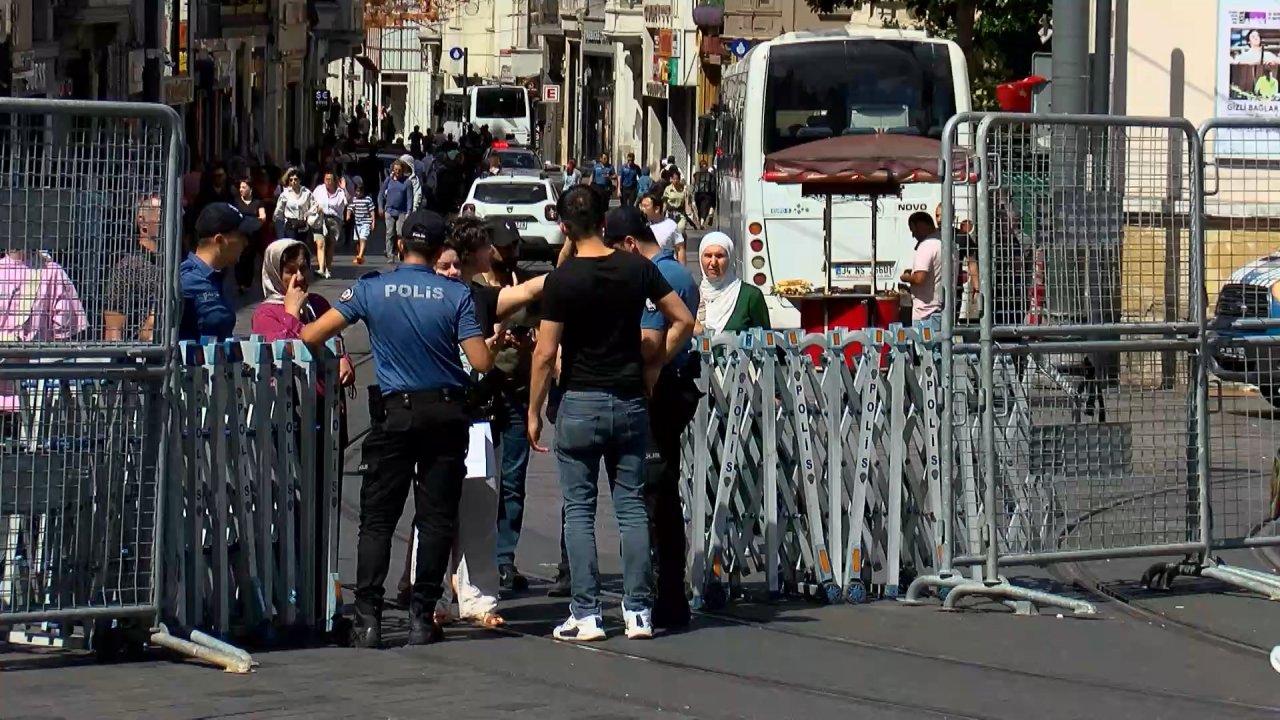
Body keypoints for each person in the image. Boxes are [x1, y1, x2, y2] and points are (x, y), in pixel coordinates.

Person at [300, 209, 494, 648]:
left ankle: (367, 618)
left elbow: (313, 334)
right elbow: (480, 361)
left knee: (378, 519)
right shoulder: (455, 294)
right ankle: (422, 617)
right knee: (436, 517)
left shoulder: (372, 289)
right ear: (441, 248)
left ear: (401, 244)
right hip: (445, 415)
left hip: (395, 415)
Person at [527, 186, 695, 641]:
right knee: (632, 509)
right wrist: (653, 368)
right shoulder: (638, 268)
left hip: (580, 399)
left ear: (564, 227)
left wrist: (534, 410)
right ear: (605, 222)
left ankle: (586, 613)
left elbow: (544, 353)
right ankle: (639, 611)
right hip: (629, 400)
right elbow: (682, 320)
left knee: (579, 510)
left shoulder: (562, 280)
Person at [606, 206, 700, 630]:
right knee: (662, 495)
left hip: (656, 393)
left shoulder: (655, 278)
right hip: (672, 391)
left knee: (649, 497)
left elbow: (649, 344)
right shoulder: (676, 274)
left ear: (629, 244)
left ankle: (657, 595)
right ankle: (670, 594)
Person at [179, 203, 258, 341]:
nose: (246, 242)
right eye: (241, 236)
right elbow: (153, 331)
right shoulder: (186, 279)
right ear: (220, 240)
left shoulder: (219, 277)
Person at [104, 194, 164, 342]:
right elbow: (113, 330)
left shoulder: (175, 265)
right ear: (142, 222)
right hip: (138, 357)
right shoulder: (128, 267)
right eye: (161, 216)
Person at [696, 232, 770, 335]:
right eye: (708, 256)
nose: (713, 262)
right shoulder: (693, 295)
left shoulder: (750, 296)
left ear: (730, 259)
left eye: (719, 256)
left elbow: (765, 340)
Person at [901, 211, 944, 334]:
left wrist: (906, 277)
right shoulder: (946, 243)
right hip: (943, 308)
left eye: (913, 230)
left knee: (924, 350)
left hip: (925, 313)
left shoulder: (926, 246)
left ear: (921, 225)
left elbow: (919, 278)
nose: (913, 234)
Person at [231, 179, 267, 294]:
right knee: (239, 258)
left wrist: (257, 220)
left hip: (252, 235)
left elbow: (263, 216)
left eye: (244, 187)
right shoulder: (236, 202)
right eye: (240, 187)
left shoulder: (257, 202)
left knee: (250, 259)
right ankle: (240, 283)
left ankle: (247, 283)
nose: (241, 189)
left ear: (250, 189)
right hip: (239, 235)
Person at [312, 170, 349, 279]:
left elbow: (348, 200)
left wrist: (344, 188)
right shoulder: (319, 189)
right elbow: (311, 200)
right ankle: (321, 269)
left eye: (330, 180)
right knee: (320, 243)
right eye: (326, 179)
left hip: (334, 220)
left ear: (335, 181)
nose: (327, 182)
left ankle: (327, 268)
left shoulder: (340, 192)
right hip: (320, 218)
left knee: (330, 244)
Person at [379, 160, 416, 262]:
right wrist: (380, 207)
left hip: (402, 212)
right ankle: (390, 254)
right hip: (389, 210)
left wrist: (409, 211)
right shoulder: (388, 180)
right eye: (395, 170)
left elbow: (409, 199)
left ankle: (401, 252)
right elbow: (381, 194)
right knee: (389, 233)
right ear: (393, 170)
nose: (397, 172)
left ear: (403, 170)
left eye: (399, 170)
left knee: (400, 233)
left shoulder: (407, 182)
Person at [641, 192, 686, 264]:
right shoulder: (641, 225)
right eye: (641, 206)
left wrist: (682, 270)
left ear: (656, 209)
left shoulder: (671, 225)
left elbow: (680, 248)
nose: (642, 209)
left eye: (646, 206)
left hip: (666, 267)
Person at [274, 168, 317, 242]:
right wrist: (279, 227)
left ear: (300, 180)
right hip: (290, 225)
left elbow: (314, 206)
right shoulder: (285, 194)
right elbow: (278, 212)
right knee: (292, 247)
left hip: (303, 226)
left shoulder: (307, 193)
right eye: (291, 180)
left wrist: (308, 215)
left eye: (295, 179)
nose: (293, 181)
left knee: (302, 248)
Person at [350, 178, 376, 265]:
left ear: (363, 192)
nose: (358, 193)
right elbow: (350, 208)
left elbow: (372, 211)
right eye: (357, 191)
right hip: (357, 223)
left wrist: (373, 222)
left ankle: (360, 255)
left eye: (360, 192)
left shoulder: (368, 199)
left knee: (363, 238)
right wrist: (348, 214)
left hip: (366, 222)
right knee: (357, 240)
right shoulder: (354, 199)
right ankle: (360, 256)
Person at [692, 161, 716, 229]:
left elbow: (693, 184)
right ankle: (702, 222)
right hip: (707, 195)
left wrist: (692, 193)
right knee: (705, 209)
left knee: (699, 208)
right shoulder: (710, 175)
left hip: (698, 194)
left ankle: (701, 222)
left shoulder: (696, 174)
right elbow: (713, 186)